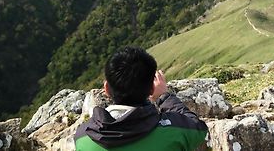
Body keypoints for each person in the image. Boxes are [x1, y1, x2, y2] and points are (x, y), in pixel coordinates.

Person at [74, 46, 209, 150]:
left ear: (107, 89)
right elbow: (198, 128)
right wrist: (164, 96)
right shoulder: (174, 130)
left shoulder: (83, 137)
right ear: (151, 89)